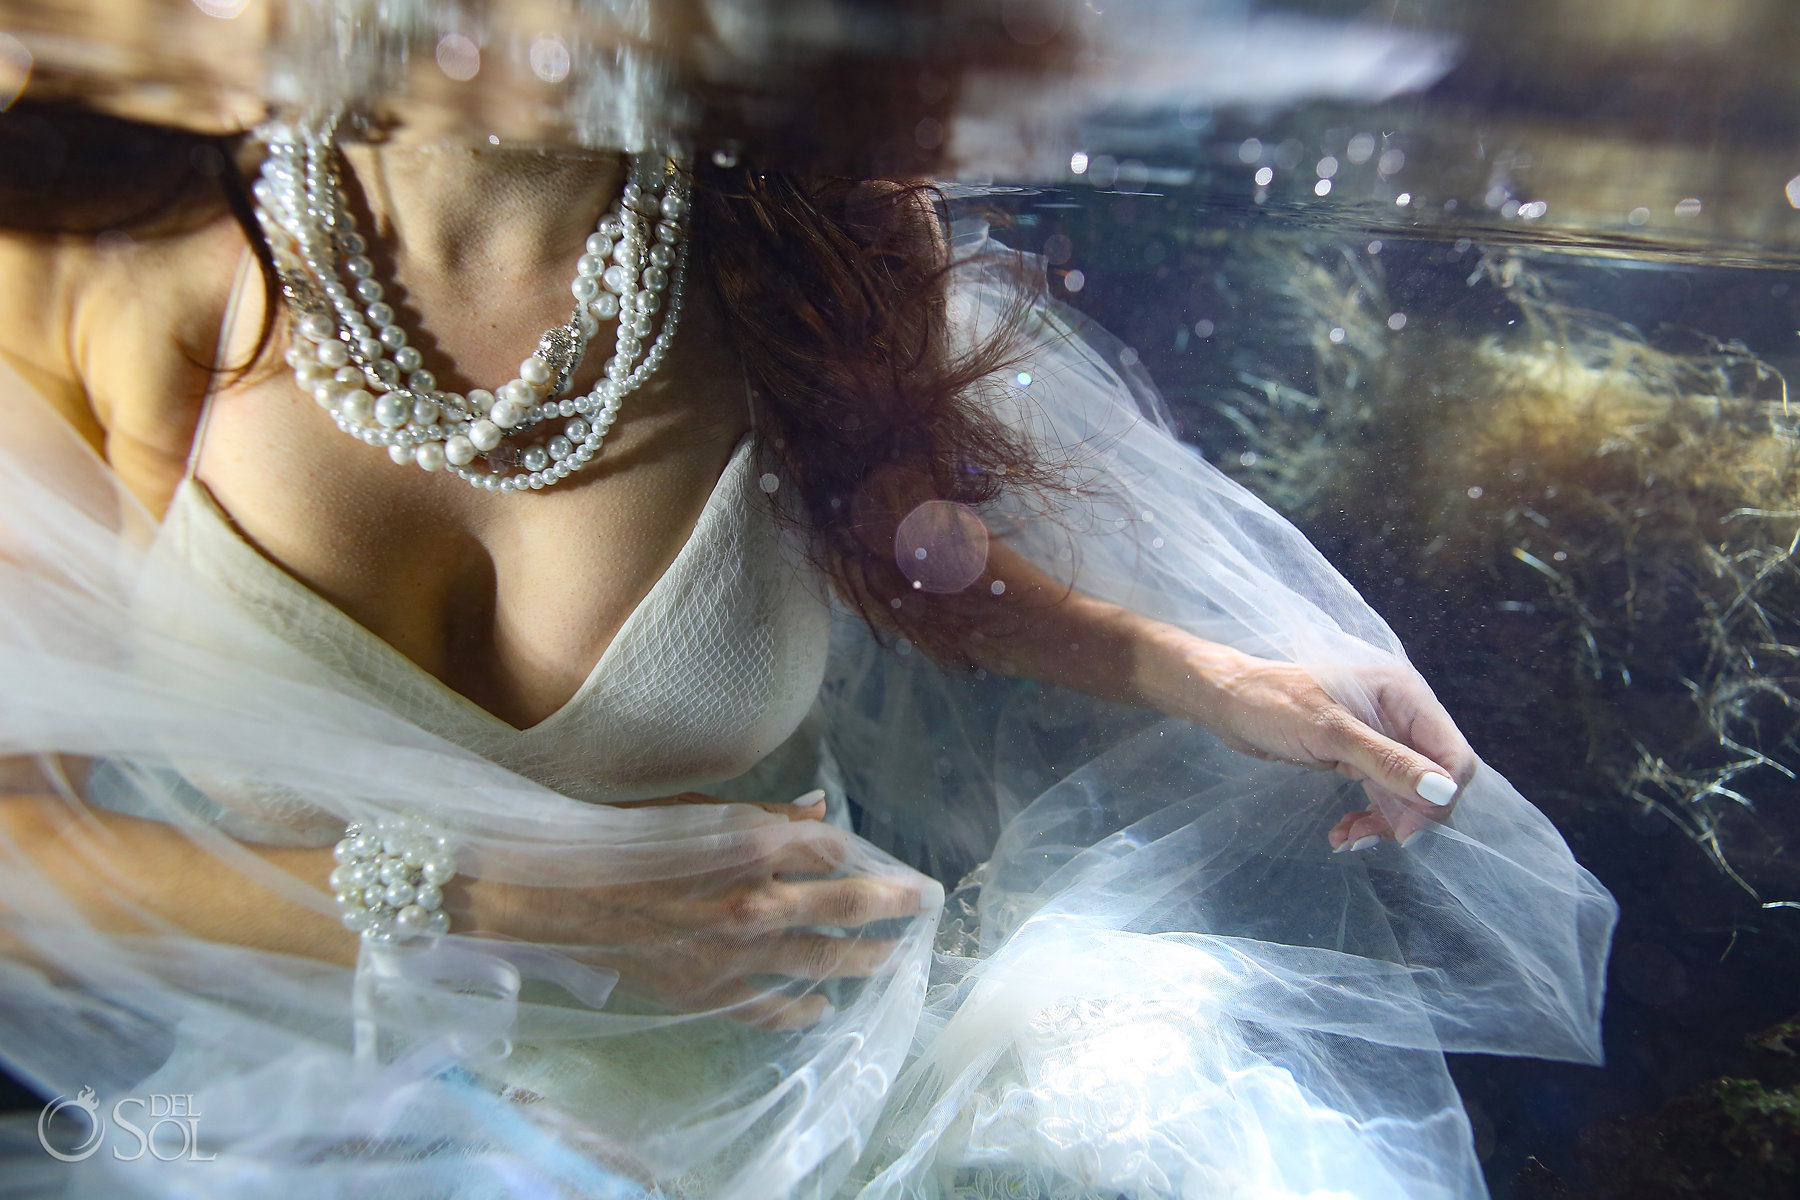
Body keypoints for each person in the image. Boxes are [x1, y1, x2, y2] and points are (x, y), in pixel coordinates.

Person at [0, 7, 1614, 1197]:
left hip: (828, 1119)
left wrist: (1208, 667)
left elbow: (908, 558)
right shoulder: (112, 267)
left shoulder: (807, 243)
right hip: (314, 1133)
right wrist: (483, 896)